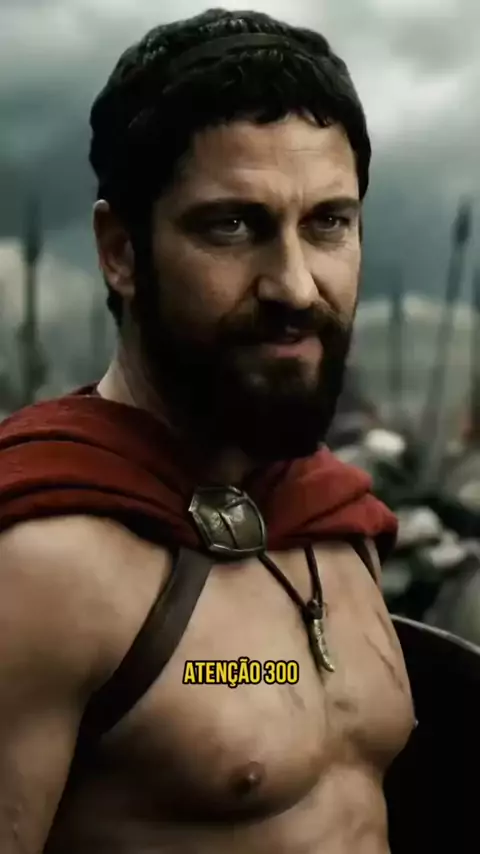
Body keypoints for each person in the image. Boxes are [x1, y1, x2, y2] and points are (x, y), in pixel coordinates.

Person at [0, 9, 416, 853]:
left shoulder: (342, 528)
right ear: (121, 252)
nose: (295, 284)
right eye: (232, 225)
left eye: (328, 222)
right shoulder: (40, 567)